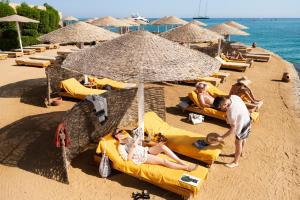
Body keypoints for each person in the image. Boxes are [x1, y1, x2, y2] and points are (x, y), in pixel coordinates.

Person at [112, 128, 197, 171]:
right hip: (142, 157)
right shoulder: (121, 146)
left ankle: (180, 162)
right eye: (119, 132)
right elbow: (128, 159)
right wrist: (133, 147)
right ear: (116, 136)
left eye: (122, 131)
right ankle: (186, 167)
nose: (122, 133)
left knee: (162, 146)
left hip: (146, 150)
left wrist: (140, 140)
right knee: (164, 161)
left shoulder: (128, 138)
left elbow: (139, 144)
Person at [213, 95, 252, 168]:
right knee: (244, 138)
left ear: (224, 104)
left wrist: (222, 137)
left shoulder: (231, 112)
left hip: (242, 125)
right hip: (248, 119)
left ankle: (235, 162)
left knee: (238, 142)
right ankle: (240, 152)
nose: (221, 109)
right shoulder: (234, 97)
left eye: (220, 107)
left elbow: (233, 128)